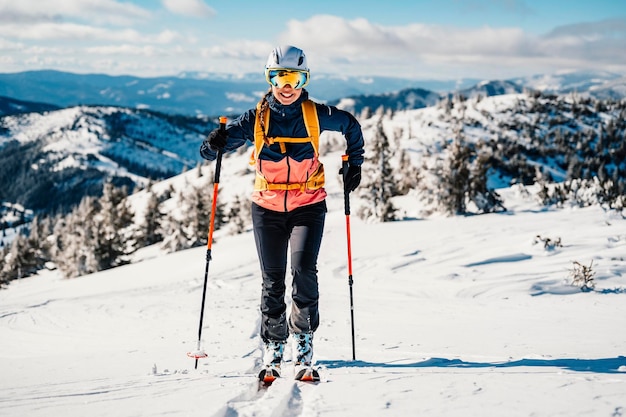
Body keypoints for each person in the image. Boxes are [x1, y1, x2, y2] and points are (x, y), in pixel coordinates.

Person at [200, 45, 364, 382]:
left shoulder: (316, 114)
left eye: (293, 77)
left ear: (304, 80)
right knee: (272, 280)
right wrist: (212, 143)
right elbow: (211, 151)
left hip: (308, 206)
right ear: (269, 78)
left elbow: (351, 127)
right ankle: (274, 345)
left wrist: (353, 165)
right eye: (278, 76)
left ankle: (303, 343)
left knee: (304, 272)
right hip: (267, 208)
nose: (286, 86)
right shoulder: (255, 119)